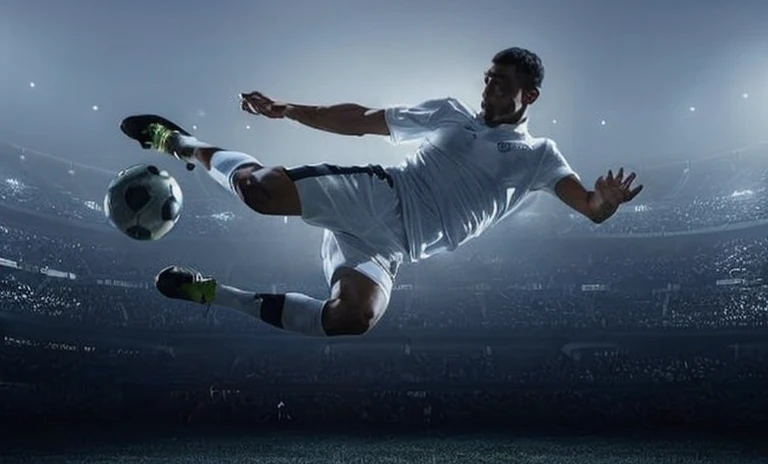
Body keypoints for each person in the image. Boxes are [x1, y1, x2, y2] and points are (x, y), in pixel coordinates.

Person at [121, 47, 642, 338]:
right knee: (259, 191)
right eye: (487, 79)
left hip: (393, 249)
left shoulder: (540, 157)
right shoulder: (451, 115)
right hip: (378, 196)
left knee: (353, 319)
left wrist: (608, 202)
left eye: (500, 83)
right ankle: (181, 142)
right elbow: (361, 121)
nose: (488, 89)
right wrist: (288, 109)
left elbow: (590, 208)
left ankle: (213, 294)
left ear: (529, 95)